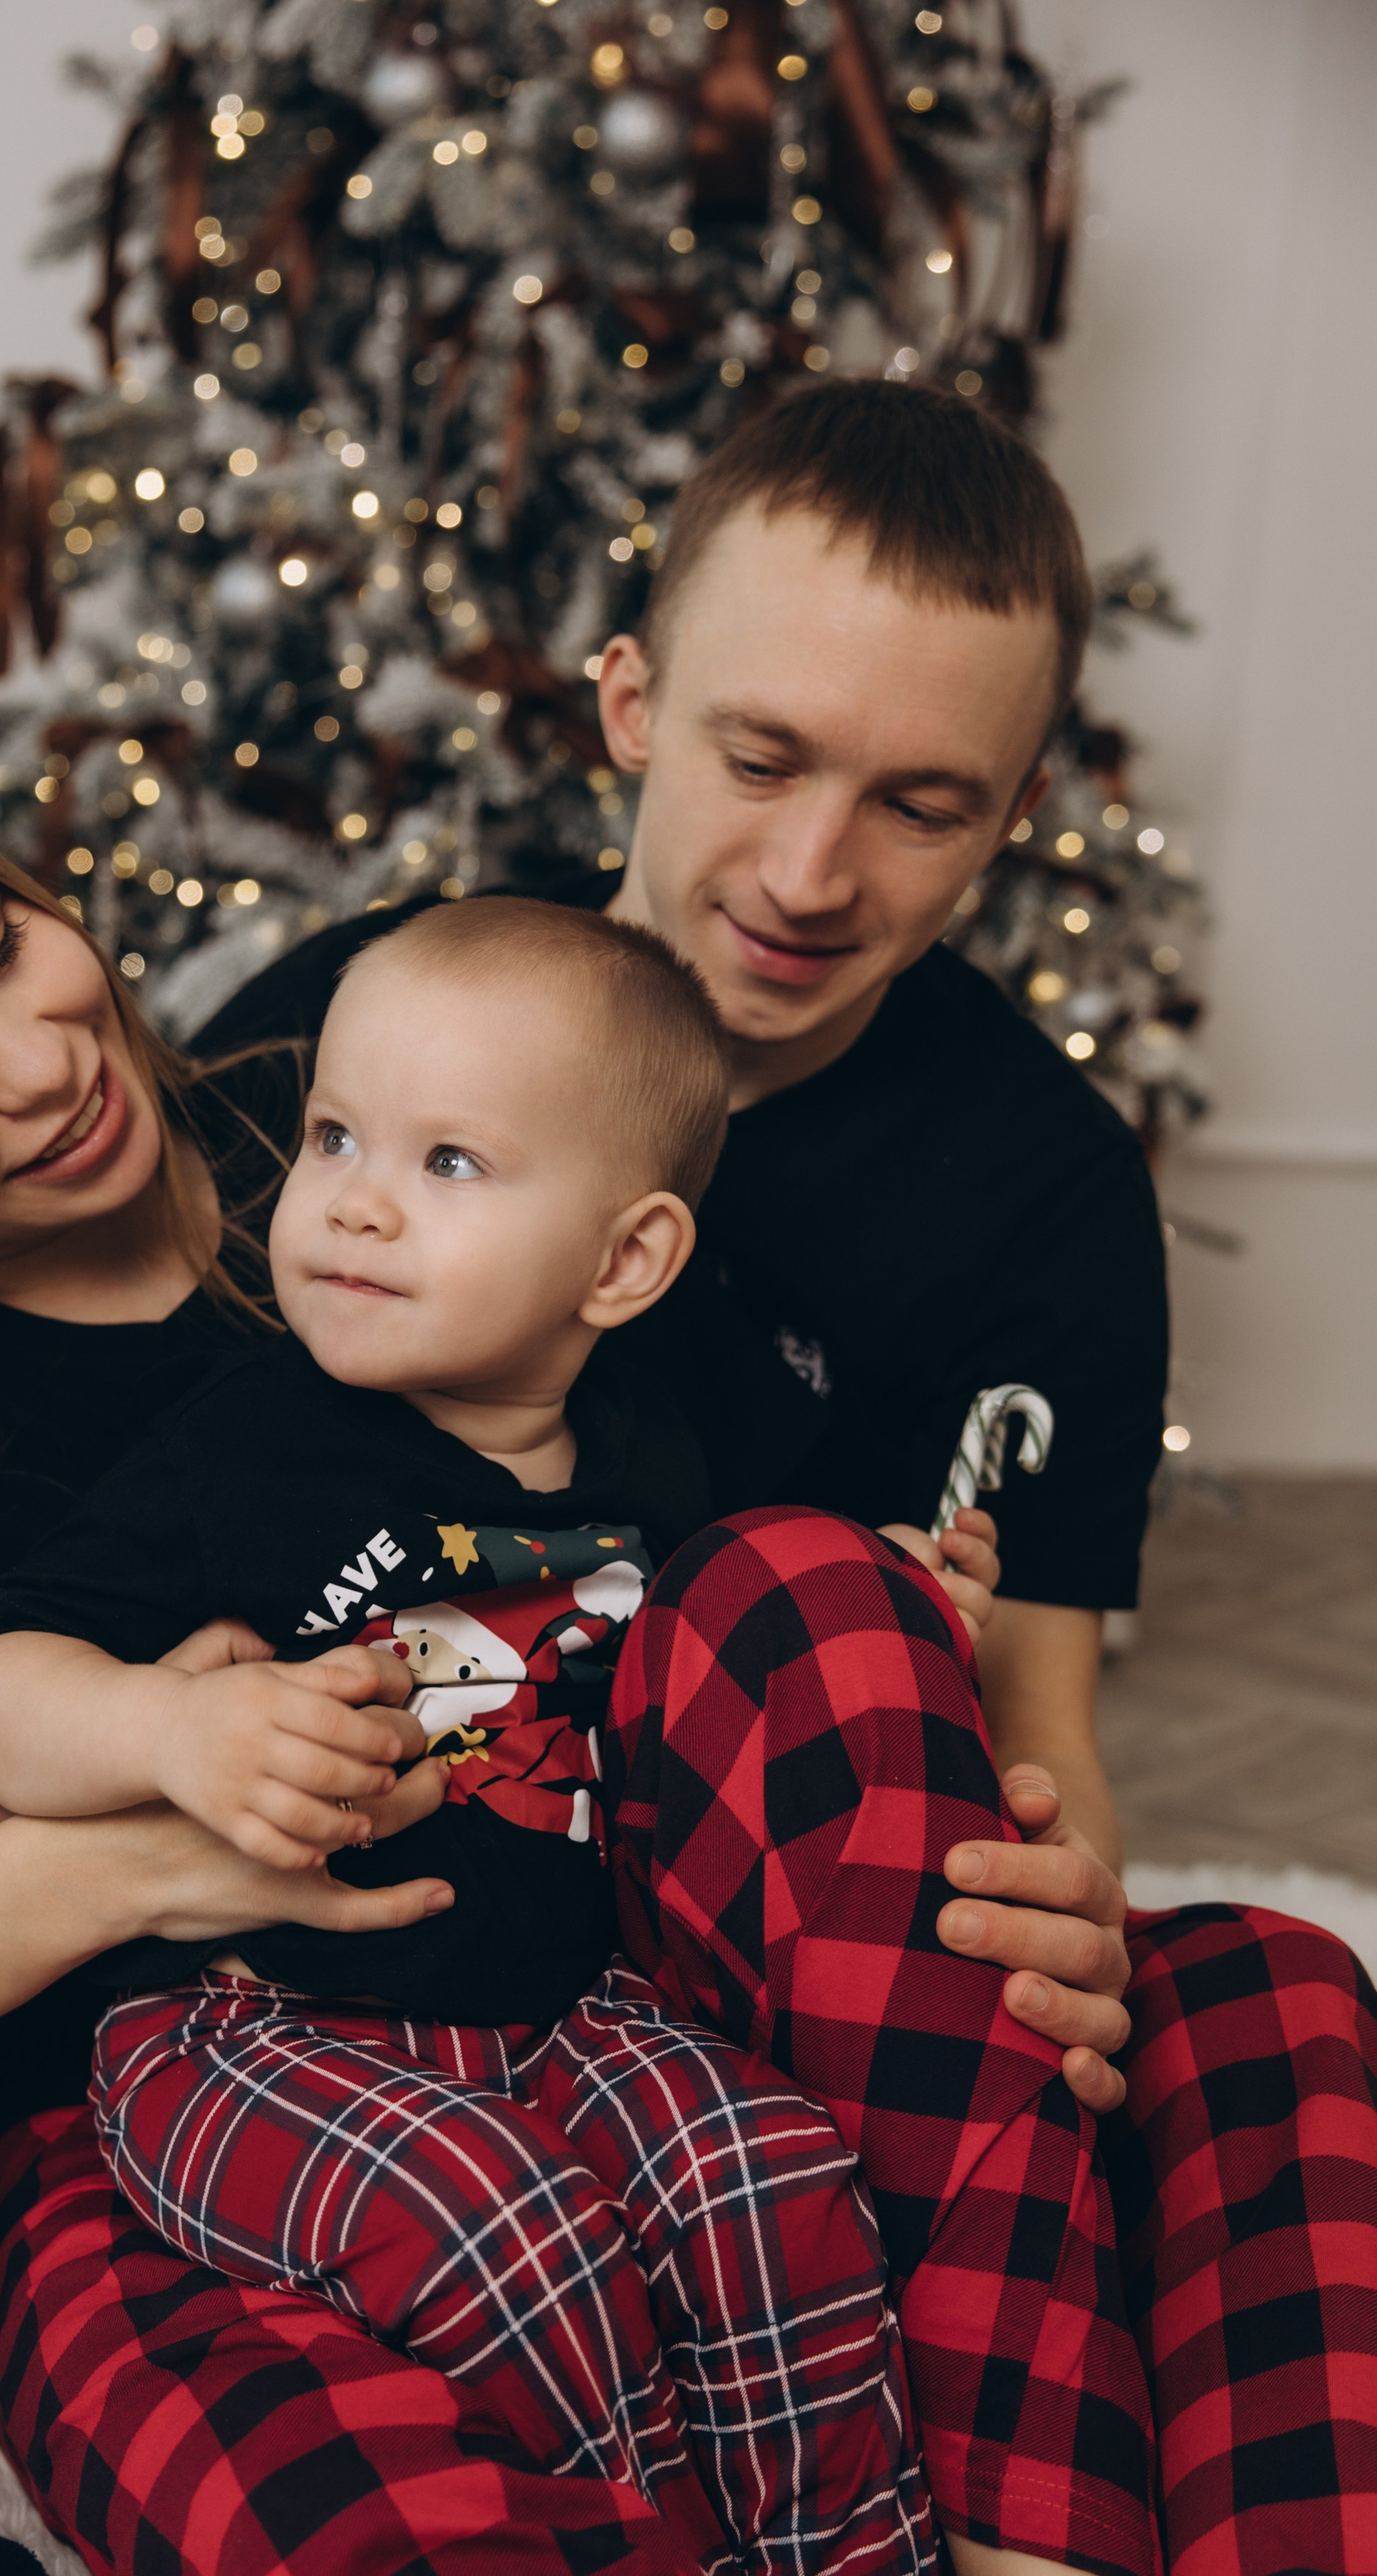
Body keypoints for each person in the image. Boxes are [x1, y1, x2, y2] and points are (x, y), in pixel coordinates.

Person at [0, 726, 1358, 2576]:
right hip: (205, 2127)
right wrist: (125, 1850)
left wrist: (989, 1850)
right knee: (333, 2549)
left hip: (657, 1979)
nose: (39, 1057)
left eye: (2, 943)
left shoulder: (353, 1090)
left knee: (1262, 2007)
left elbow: (718, 1564)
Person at [0, 896, 976, 2576]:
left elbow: (751, 1628)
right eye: (332, 1137)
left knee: (763, 2171)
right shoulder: (246, 1442)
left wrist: (911, 1589)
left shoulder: (665, 1452)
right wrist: (165, 1725)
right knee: (521, 2246)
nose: (348, 1201)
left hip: (563, 2000)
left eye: (446, 1162)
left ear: (623, 1257)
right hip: (250, 2023)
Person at [200, 378, 1165, 1874]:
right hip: (332, 1844)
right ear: (630, 705)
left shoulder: (1052, 1197)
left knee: (1274, 1984)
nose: (806, 877)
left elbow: (1039, 1733)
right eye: (760, 761)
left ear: (1012, 814)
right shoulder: (344, 1027)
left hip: (746, 1872)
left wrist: (1063, 1892)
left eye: (917, 808)